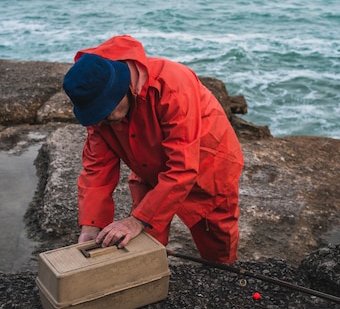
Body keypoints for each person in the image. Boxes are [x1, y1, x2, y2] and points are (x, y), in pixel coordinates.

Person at [62, 35, 244, 264]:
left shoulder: (173, 86)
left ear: (123, 87)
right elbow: (96, 171)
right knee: (142, 242)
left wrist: (135, 220)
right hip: (149, 166)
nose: (103, 119)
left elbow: (183, 168)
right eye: (96, 114)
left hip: (208, 165)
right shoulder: (101, 113)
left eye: (106, 110)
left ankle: (223, 281)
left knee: (218, 247)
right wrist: (90, 227)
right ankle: (149, 281)